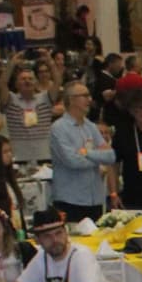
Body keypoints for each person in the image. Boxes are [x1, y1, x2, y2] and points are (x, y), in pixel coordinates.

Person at [48, 81, 119, 220]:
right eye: (84, 96)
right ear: (71, 99)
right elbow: (72, 162)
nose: (89, 99)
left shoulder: (91, 127)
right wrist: (98, 159)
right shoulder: (59, 128)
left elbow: (111, 156)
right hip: (71, 200)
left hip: (95, 199)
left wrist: (86, 153)